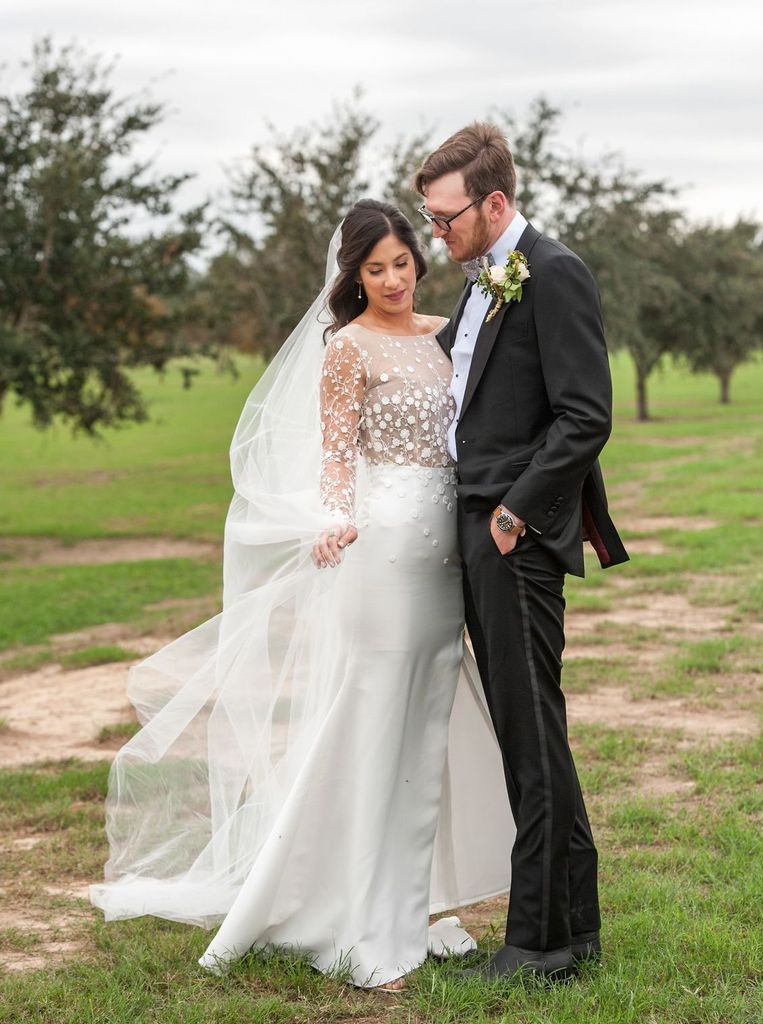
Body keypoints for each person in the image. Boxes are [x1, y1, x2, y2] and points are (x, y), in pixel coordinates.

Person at [89, 199, 515, 991]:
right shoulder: (347, 348)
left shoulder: (443, 334)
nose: (391, 279)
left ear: (417, 260)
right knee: (369, 717)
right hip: (380, 549)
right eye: (374, 268)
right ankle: (352, 907)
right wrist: (332, 518)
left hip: (446, 553)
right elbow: (333, 456)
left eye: (400, 262)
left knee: (426, 721)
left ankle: (410, 898)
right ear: (353, 276)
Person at [414, 123, 629, 983]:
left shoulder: (554, 272)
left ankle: (536, 945)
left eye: (445, 216)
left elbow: (585, 415)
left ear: (493, 202)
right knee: (529, 731)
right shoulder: (479, 286)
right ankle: (573, 931)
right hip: (474, 526)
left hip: (514, 536)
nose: (437, 231)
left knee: (529, 735)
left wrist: (511, 516)